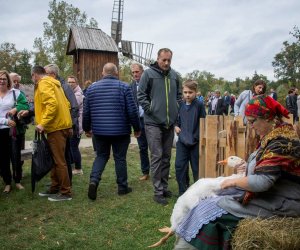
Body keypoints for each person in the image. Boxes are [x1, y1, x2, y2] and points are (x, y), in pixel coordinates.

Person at [174, 95, 300, 250]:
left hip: (284, 201)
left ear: (267, 117)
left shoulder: (281, 142)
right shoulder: (275, 136)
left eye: (253, 121)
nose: (251, 126)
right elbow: (268, 169)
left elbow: (263, 181)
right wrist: (246, 167)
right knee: (208, 202)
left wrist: (232, 181)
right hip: (274, 195)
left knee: (212, 210)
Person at [83, 63, 141, 201]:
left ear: (103, 72)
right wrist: (137, 128)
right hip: (120, 131)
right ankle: (122, 187)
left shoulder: (91, 89)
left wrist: (86, 128)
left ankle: (94, 181)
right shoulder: (124, 87)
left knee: (101, 156)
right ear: (117, 73)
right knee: (120, 158)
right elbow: (132, 111)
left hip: (99, 131)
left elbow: (86, 112)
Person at [137, 48, 182, 205]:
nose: (166, 63)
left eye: (169, 60)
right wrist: (151, 110)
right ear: (158, 58)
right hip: (153, 123)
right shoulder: (148, 74)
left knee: (166, 157)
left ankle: (163, 187)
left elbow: (179, 96)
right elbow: (141, 95)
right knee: (156, 156)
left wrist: (176, 109)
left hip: (169, 124)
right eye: (164, 59)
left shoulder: (175, 75)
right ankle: (157, 192)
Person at [32, 66, 73, 202]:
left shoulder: (44, 83)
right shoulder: (55, 83)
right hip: (62, 125)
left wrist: (43, 123)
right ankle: (54, 187)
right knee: (56, 160)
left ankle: (65, 192)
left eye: (32, 78)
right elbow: (66, 104)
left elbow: (52, 105)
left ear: (35, 75)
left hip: (56, 127)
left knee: (59, 161)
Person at [44, 64, 79, 184]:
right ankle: (59, 181)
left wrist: (70, 126)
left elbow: (74, 107)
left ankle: (67, 182)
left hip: (64, 127)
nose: (44, 77)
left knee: (64, 156)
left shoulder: (64, 86)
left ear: (53, 75)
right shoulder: (53, 86)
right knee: (58, 156)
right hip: (56, 127)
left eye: (46, 74)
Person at [174, 80, 206, 196]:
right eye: (185, 92)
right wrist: (176, 126)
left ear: (195, 92)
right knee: (179, 166)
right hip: (182, 142)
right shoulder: (180, 104)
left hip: (195, 143)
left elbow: (204, 122)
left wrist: (197, 136)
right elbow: (177, 119)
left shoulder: (199, 105)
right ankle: (183, 191)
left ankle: (198, 193)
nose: (187, 95)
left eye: (190, 92)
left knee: (196, 169)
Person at [0, 70, 29, 193]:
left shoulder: (16, 93)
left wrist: (16, 109)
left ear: (8, 81)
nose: (1, 81)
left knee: (16, 156)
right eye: (0, 79)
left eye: (4, 79)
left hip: (15, 131)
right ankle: (7, 182)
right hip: (1, 130)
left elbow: (26, 105)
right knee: (3, 158)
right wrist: (5, 121)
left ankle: (17, 181)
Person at [130, 62, 150, 181]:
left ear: (142, 72)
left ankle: (161, 171)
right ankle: (145, 172)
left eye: (137, 72)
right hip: (139, 122)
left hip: (151, 121)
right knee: (142, 148)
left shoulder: (150, 85)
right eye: (133, 72)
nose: (135, 74)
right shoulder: (131, 87)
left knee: (155, 148)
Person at [67, 75, 84, 175]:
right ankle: (72, 164)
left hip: (77, 126)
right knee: (70, 146)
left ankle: (78, 168)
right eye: (68, 82)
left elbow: (70, 106)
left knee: (74, 147)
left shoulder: (78, 94)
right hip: (73, 124)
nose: (70, 84)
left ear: (76, 83)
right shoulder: (72, 93)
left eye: (72, 82)